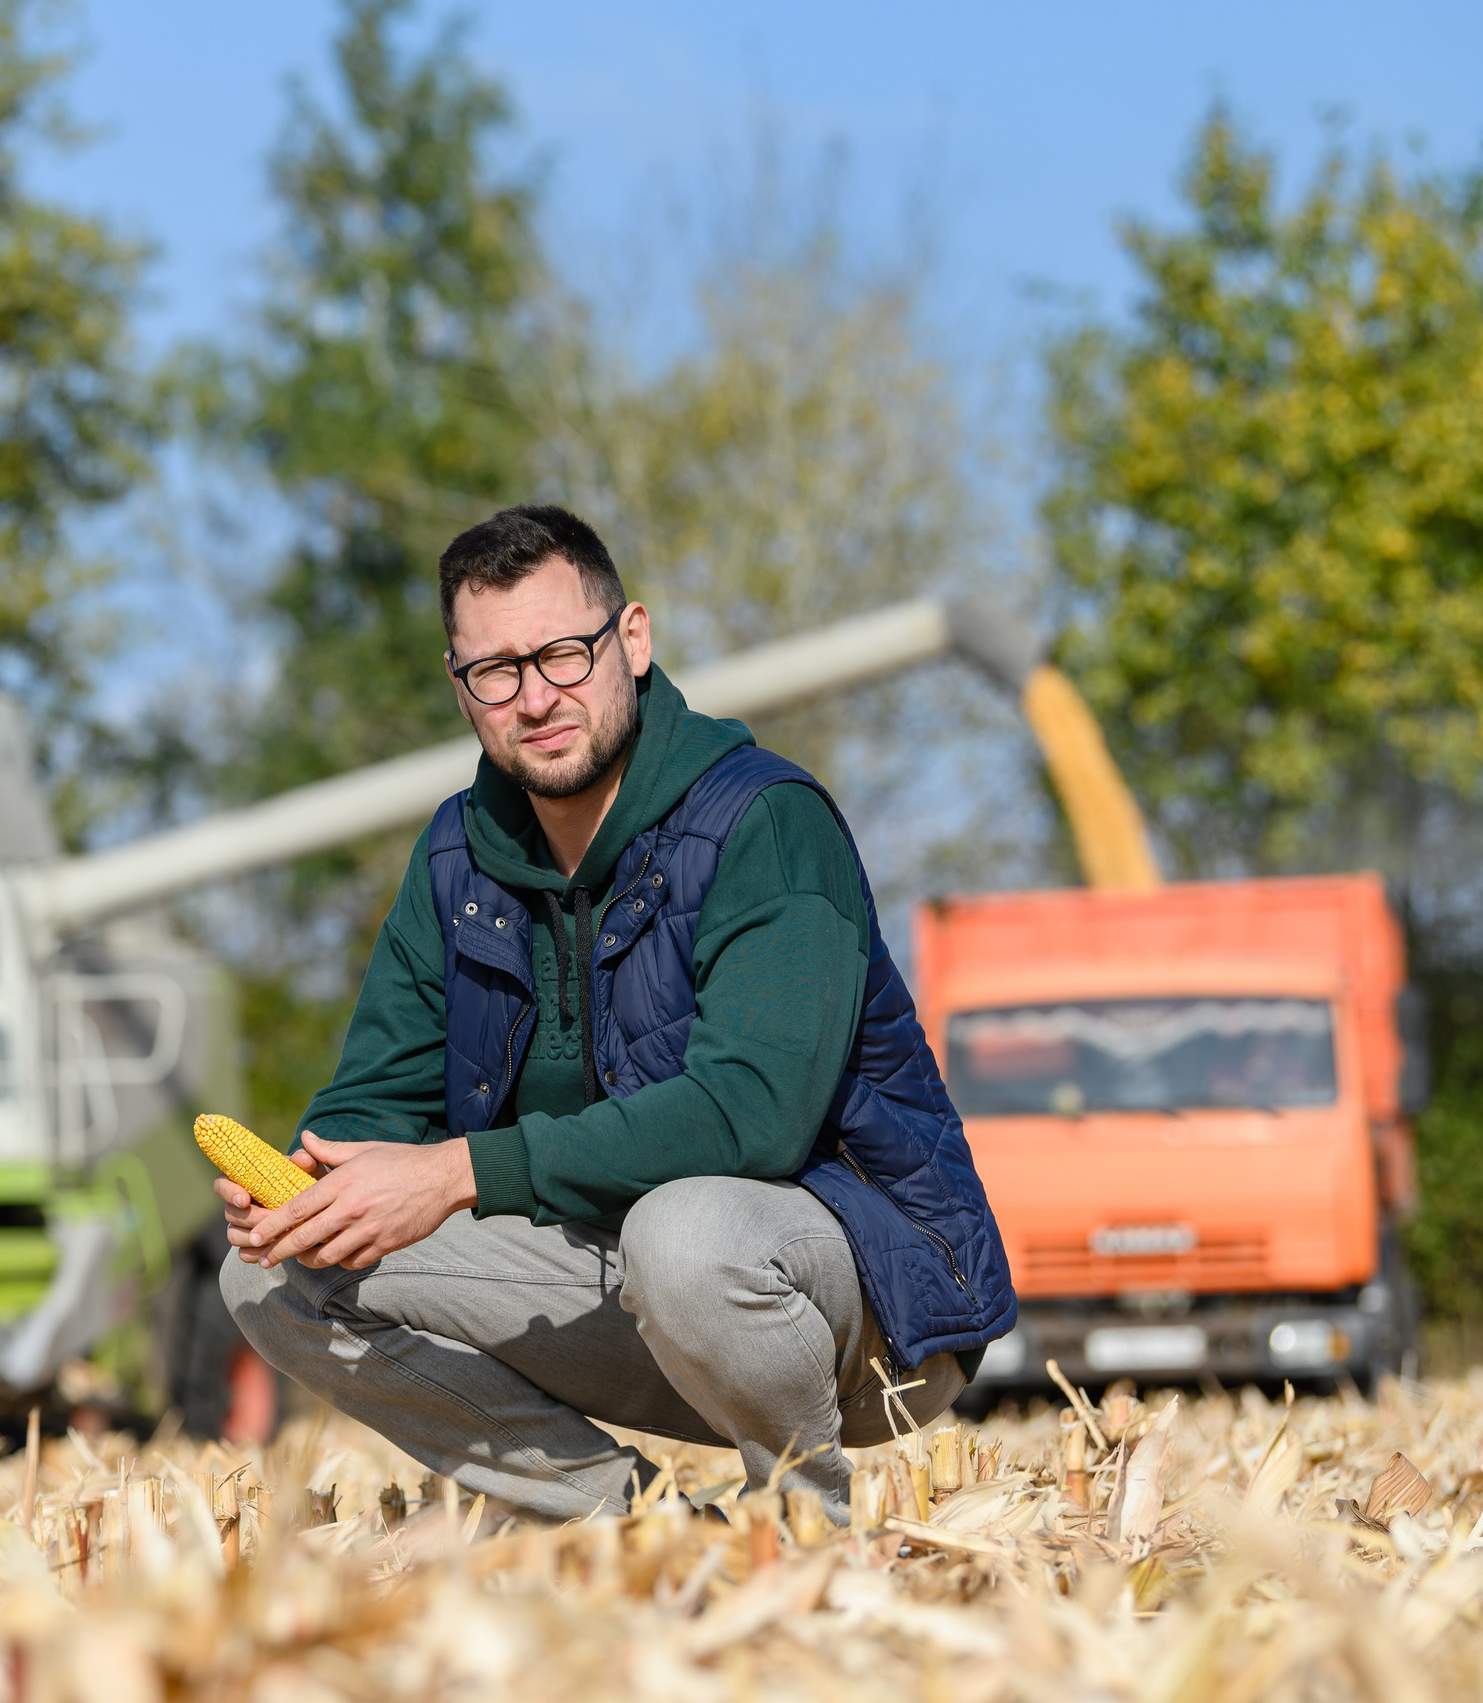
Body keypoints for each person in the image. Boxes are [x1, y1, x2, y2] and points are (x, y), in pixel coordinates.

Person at [216, 505, 1015, 1520]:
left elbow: (750, 1115)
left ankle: (805, 1522)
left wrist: (460, 1170)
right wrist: (305, 1190)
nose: (535, 695)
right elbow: (375, 1105)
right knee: (270, 1279)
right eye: (495, 671)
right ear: (460, 686)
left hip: (852, 1301)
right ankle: (633, 1528)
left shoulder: (764, 819)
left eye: (562, 652)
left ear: (630, 640)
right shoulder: (456, 859)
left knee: (681, 1232)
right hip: (615, 1284)